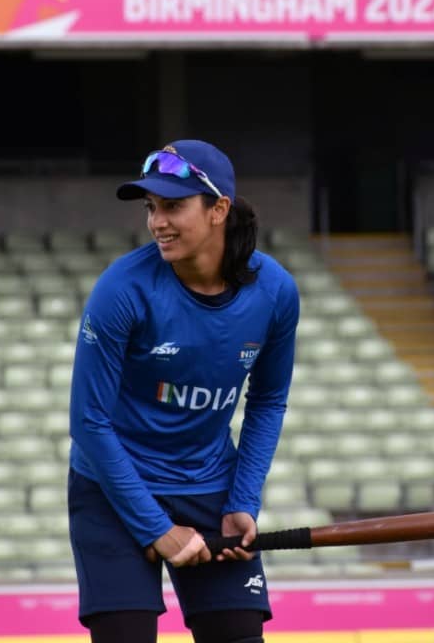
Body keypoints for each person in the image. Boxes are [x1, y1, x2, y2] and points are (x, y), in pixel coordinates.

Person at [66, 140, 300, 643]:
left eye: (172, 206)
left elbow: (267, 400)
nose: (157, 222)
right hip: (114, 489)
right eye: (151, 208)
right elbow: (88, 421)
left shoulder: (276, 291)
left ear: (219, 209)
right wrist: (156, 528)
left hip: (210, 486)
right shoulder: (121, 289)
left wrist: (243, 500)